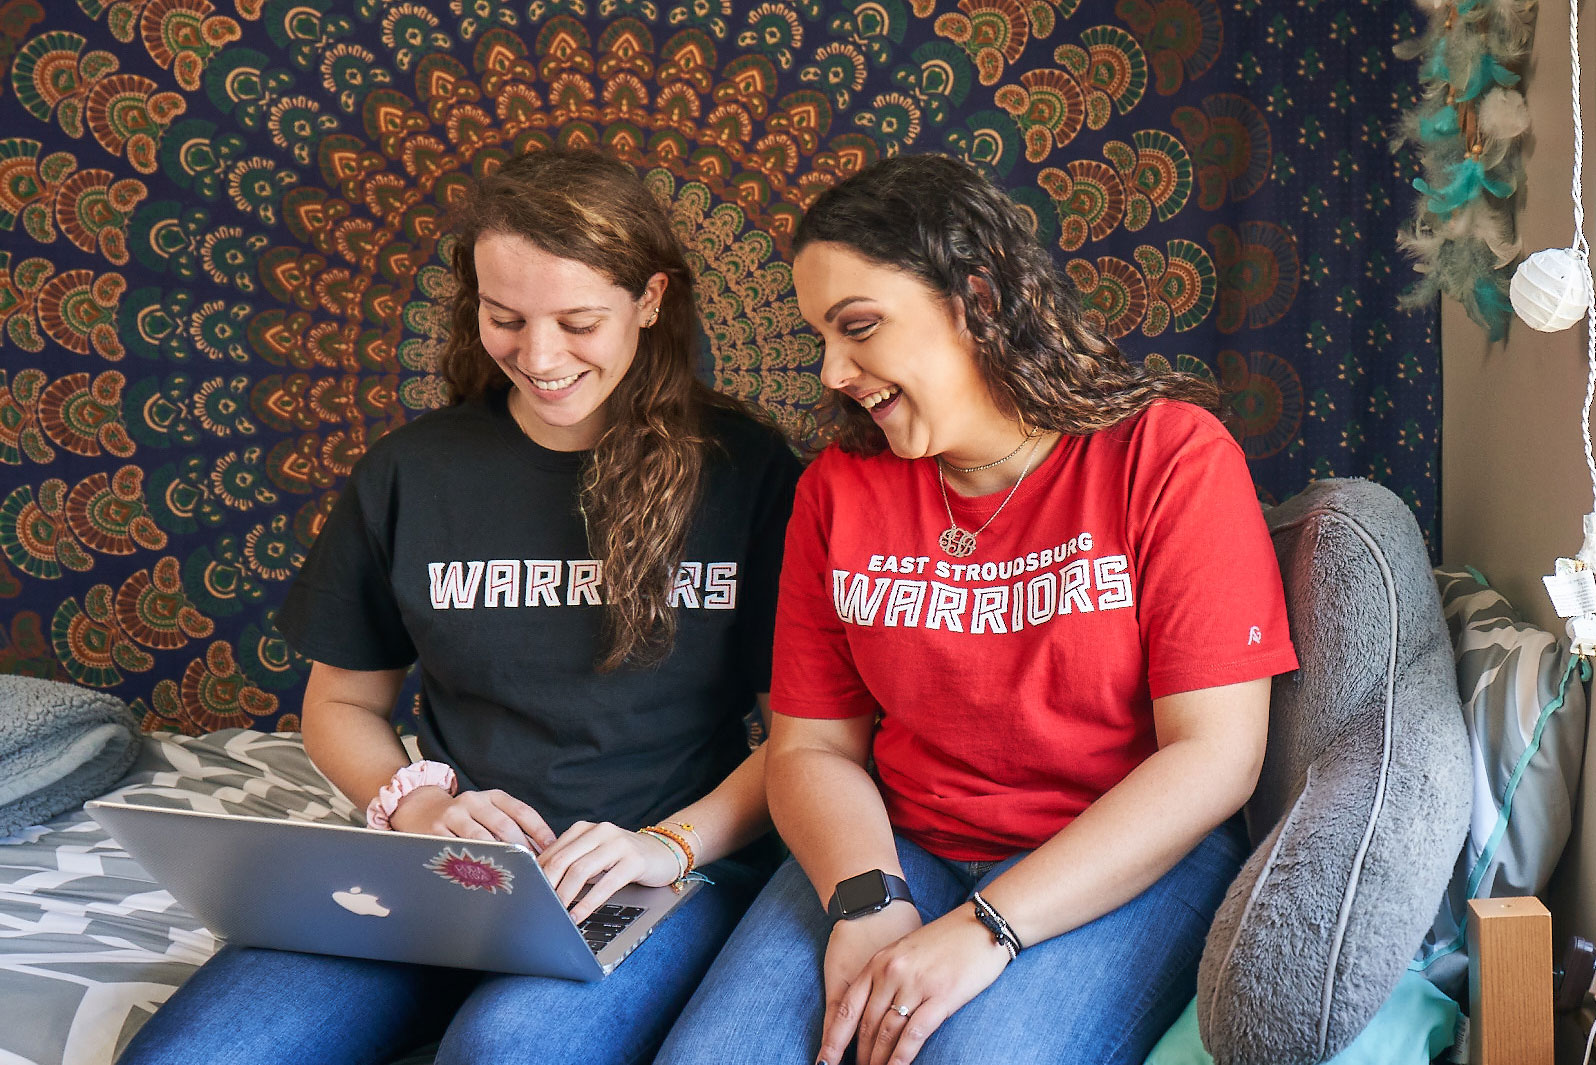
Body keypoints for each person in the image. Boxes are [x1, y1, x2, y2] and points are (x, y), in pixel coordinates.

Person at [118, 148, 802, 1065]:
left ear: (651, 300)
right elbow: (341, 703)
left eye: (579, 320)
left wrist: (668, 846)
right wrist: (418, 806)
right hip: (444, 870)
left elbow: (810, 738)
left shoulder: (749, 474)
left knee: (507, 1049)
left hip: (662, 872)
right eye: (505, 318)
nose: (540, 356)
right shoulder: (415, 471)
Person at [655, 154, 1299, 1065]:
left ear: (977, 301)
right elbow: (811, 747)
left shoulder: (1170, 458)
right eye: (822, 339)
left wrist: (987, 928)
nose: (835, 371)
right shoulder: (839, 492)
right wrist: (866, 899)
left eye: (860, 327)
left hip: (1121, 858)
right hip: (897, 842)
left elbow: (1215, 758)